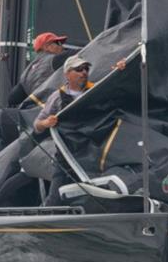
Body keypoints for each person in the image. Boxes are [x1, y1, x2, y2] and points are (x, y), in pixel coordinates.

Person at [34, 54, 127, 206]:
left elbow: (117, 92)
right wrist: (46, 122)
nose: (84, 72)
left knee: (94, 196)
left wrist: (121, 71)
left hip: (94, 152)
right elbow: (37, 126)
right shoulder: (57, 97)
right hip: (66, 155)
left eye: (86, 69)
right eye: (78, 69)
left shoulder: (96, 90)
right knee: (55, 198)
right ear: (67, 74)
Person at [0, 32, 74, 162]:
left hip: (12, 122)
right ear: (47, 46)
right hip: (41, 121)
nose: (62, 47)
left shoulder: (27, 72)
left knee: (0, 165)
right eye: (58, 43)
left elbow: (13, 98)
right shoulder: (55, 60)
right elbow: (81, 53)